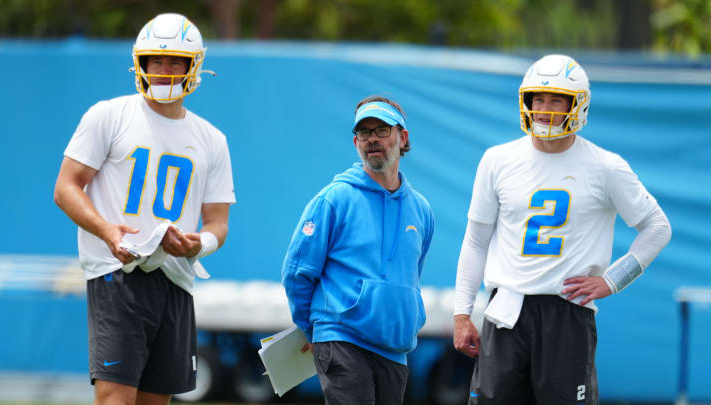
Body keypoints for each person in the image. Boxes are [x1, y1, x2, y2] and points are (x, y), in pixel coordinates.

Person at [453, 54, 672, 405]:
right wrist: (462, 313)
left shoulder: (606, 167)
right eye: (537, 98)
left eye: (556, 99)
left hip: (567, 313)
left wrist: (612, 279)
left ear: (577, 105)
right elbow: (476, 241)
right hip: (506, 309)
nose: (544, 108)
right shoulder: (497, 160)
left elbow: (658, 228)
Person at [53, 13, 235, 405]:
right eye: (157, 61)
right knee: (116, 397)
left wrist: (197, 245)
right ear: (142, 64)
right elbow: (66, 187)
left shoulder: (212, 140)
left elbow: (218, 222)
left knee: (156, 400)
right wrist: (107, 231)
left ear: (193, 67)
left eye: (175, 62)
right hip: (118, 273)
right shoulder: (109, 115)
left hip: (175, 280)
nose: (165, 70)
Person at [281, 96, 434, 404]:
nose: (372, 139)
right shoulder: (334, 199)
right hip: (341, 338)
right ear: (355, 142)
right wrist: (313, 330)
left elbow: (410, 276)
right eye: (364, 132)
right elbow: (297, 273)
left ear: (402, 137)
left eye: (381, 130)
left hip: (394, 349)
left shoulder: (422, 210)